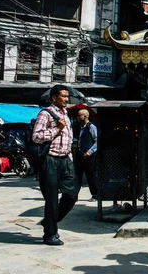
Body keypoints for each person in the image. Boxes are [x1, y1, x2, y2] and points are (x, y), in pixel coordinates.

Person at [32, 85, 78, 246]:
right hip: (50, 159)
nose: (66, 99)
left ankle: (50, 221)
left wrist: (70, 157)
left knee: (72, 194)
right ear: (53, 98)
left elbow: (68, 138)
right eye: (63, 96)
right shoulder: (45, 114)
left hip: (66, 159)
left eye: (67, 96)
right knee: (51, 198)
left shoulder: (66, 114)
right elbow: (36, 137)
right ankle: (50, 234)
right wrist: (56, 129)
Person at [74, 109, 98, 202]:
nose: (78, 117)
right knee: (77, 176)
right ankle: (74, 195)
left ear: (85, 116)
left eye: (79, 115)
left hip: (89, 156)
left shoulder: (91, 127)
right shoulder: (80, 127)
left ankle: (95, 195)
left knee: (91, 176)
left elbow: (97, 141)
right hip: (80, 155)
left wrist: (90, 152)